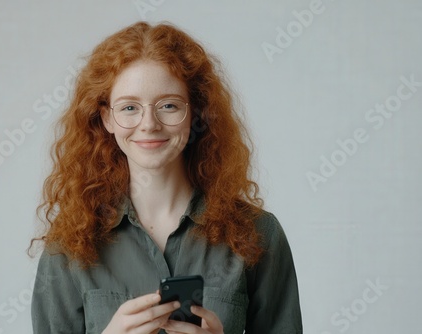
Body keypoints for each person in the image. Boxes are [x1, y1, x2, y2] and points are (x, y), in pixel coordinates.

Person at [30, 21, 302, 334]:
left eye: (169, 105)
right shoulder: (68, 245)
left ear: (196, 111)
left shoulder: (259, 234)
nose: (149, 124)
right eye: (129, 107)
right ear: (106, 118)